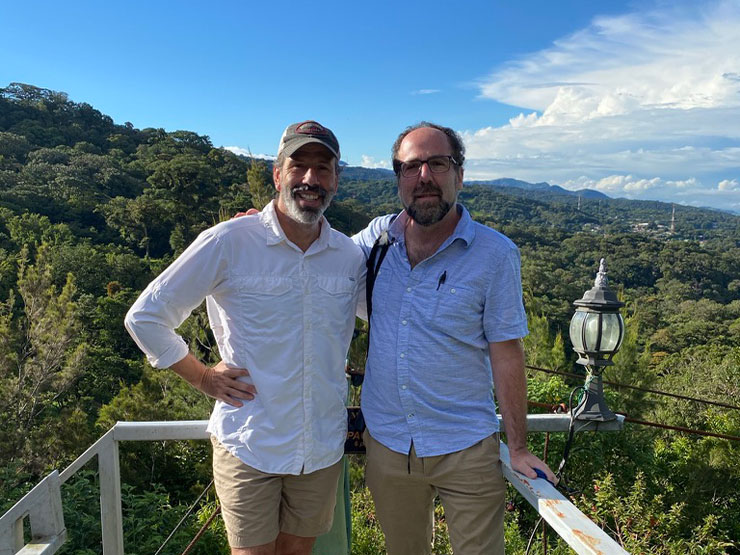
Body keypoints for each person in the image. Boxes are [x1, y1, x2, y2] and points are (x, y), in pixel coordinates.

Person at [125, 120, 365, 555]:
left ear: (336, 180)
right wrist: (202, 378)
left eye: (323, 168)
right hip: (249, 441)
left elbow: (394, 311)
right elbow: (145, 317)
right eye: (299, 165)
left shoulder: (349, 257)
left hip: (321, 447)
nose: (311, 179)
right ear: (278, 174)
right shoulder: (230, 241)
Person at [352, 122, 556, 555]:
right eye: (411, 166)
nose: (424, 176)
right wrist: (262, 229)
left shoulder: (495, 254)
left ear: (459, 175)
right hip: (387, 443)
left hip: (466, 447)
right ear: (398, 179)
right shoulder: (375, 242)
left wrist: (518, 449)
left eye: (437, 163)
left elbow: (506, 353)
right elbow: (314, 260)